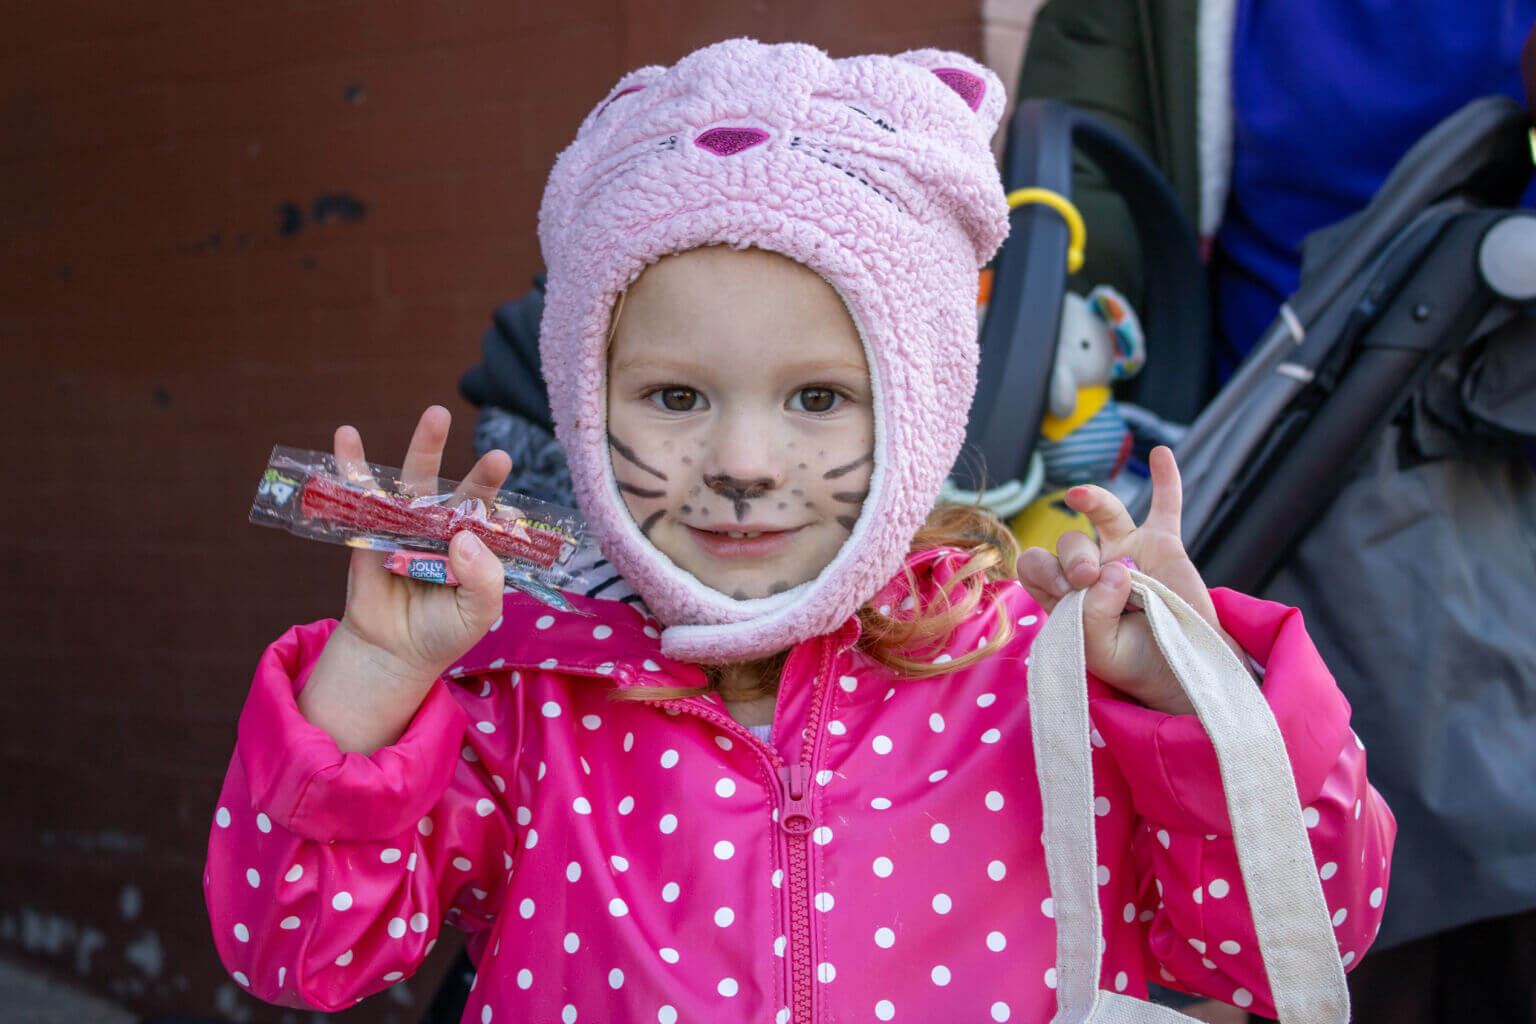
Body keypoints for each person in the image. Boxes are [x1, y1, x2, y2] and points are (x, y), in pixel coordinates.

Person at [204, 40, 1394, 1021]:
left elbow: (1298, 936)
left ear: (922, 408)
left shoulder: (1044, 686)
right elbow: (297, 950)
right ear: (582, 404)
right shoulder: (525, 708)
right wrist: (374, 679)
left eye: (818, 398)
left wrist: (1192, 700)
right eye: (674, 397)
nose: (739, 462)